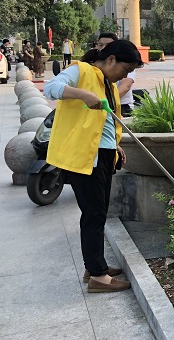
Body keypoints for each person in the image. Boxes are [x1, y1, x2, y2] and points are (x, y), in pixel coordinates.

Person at [44, 39, 144, 292]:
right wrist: (83, 95)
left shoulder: (107, 83)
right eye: (125, 69)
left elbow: (105, 122)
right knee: (94, 214)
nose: (125, 76)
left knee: (97, 212)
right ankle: (99, 276)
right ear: (111, 59)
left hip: (103, 153)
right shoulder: (81, 70)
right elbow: (51, 88)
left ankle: (95, 265)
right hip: (86, 156)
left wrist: (115, 145)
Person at [87, 32, 137, 116]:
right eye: (100, 45)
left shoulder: (124, 63)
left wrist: (107, 100)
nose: (103, 48)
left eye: (108, 45)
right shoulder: (87, 67)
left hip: (121, 106)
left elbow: (125, 86)